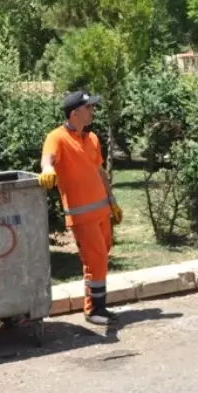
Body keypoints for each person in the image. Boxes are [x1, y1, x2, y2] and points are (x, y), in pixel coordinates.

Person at [38, 90, 124, 326]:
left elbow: (99, 173)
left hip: (102, 212)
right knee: (95, 260)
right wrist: (47, 170)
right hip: (82, 215)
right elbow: (48, 158)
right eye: (89, 108)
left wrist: (112, 201)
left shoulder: (92, 138)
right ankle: (94, 309)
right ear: (75, 113)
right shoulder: (57, 137)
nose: (93, 111)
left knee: (100, 258)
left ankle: (98, 306)